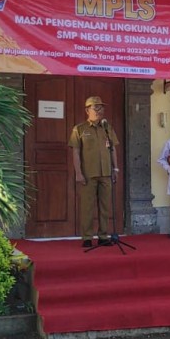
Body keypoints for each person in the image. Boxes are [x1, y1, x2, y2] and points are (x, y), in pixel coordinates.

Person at [69, 96, 119, 248]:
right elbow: (76, 152)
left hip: (106, 173)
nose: (99, 111)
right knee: (87, 207)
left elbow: (113, 148)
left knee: (105, 206)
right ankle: (87, 237)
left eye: (101, 108)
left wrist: (115, 168)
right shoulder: (79, 129)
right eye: (95, 108)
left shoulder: (107, 128)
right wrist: (78, 173)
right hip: (88, 174)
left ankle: (103, 235)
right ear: (87, 110)